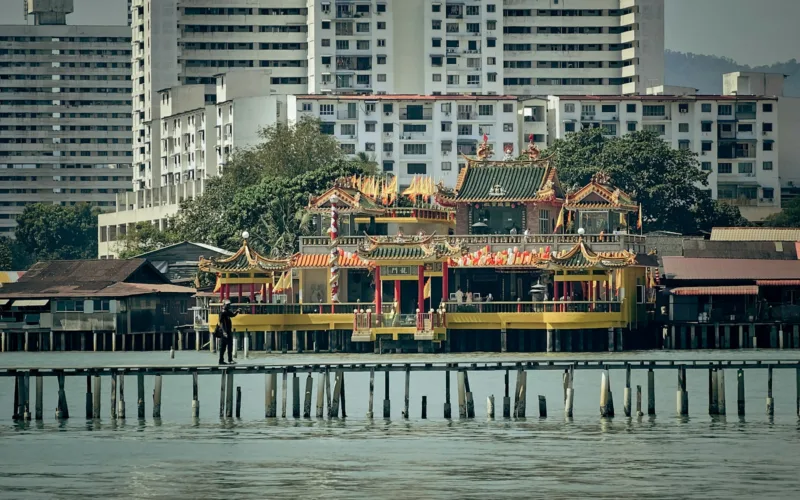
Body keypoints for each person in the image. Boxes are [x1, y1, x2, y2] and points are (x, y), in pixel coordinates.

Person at [218, 301, 240, 365]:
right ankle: (222, 360)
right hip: (224, 332)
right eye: (227, 305)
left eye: (229, 305)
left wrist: (237, 311)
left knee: (229, 346)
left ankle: (228, 360)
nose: (229, 306)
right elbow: (221, 323)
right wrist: (224, 332)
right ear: (224, 305)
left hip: (228, 331)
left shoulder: (227, 312)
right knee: (223, 347)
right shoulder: (222, 312)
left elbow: (232, 315)